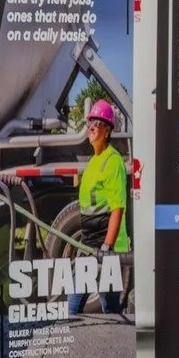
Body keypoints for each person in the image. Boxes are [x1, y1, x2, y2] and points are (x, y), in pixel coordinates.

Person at [69, 97, 130, 317]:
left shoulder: (113, 161)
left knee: (105, 307)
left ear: (107, 130)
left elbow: (117, 208)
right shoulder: (94, 161)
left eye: (97, 124)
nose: (92, 128)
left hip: (106, 247)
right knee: (81, 305)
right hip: (90, 244)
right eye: (90, 123)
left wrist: (106, 248)